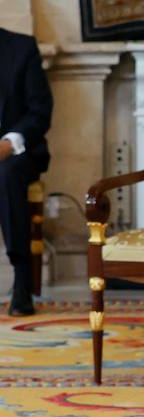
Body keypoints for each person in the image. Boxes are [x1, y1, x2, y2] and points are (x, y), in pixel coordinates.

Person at [0, 27, 53, 317]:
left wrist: (8, 144)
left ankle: (22, 283)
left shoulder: (21, 48)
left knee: (7, 175)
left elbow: (40, 110)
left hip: (16, 153)